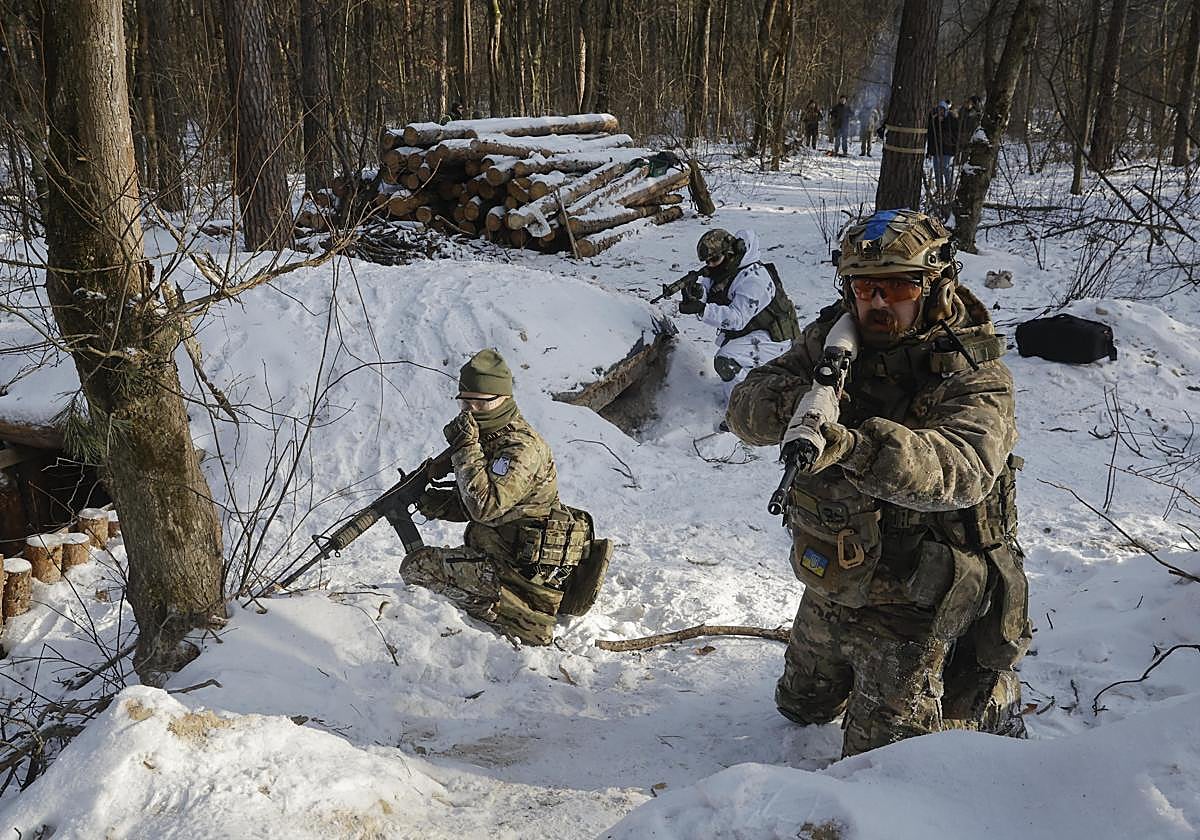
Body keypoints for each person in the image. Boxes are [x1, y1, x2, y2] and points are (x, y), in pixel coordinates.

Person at [725, 209, 1031, 758]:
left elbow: (963, 470)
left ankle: (987, 693)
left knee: (881, 767)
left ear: (935, 286)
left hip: (916, 593)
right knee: (799, 707)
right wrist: (795, 407)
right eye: (865, 287)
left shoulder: (974, 370)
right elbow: (746, 405)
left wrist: (855, 446)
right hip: (837, 573)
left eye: (897, 286)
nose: (878, 303)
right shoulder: (834, 340)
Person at [401, 349, 606, 645]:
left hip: (522, 574)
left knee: (418, 568)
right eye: (465, 402)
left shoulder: (520, 448)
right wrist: (438, 503)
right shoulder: (491, 436)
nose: (470, 411)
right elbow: (492, 504)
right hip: (502, 553)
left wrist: (465, 449)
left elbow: (485, 506)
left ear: (504, 399)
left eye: (480, 403)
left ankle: (522, 615)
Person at [678, 229, 800, 418]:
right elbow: (712, 289)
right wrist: (696, 293)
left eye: (714, 260)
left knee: (726, 361)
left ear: (730, 253)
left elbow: (736, 319)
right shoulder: (728, 269)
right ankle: (737, 399)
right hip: (754, 332)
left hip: (776, 340)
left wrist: (702, 309)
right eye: (707, 261)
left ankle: (742, 413)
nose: (710, 265)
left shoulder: (754, 279)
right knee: (731, 359)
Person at [926, 100, 959, 198]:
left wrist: (955, 148)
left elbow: (956, 135)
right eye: (939, 110)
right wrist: (929, 151)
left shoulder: (951, 119)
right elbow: (931, 137)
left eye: (942, 110)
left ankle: (949, 188)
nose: (940, 112)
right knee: (937, 169)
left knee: (945, 167)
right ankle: (939, 189)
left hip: (948, 148)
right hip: (936, 149)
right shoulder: (934, 121)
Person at [958, 95, 984, 160]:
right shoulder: (964, 110)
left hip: (971, 133)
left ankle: (964, 162)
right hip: (963, 132)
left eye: (971, 102)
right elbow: (960, 118)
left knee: (967, 150)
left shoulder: (977, 112)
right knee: (960, 149)